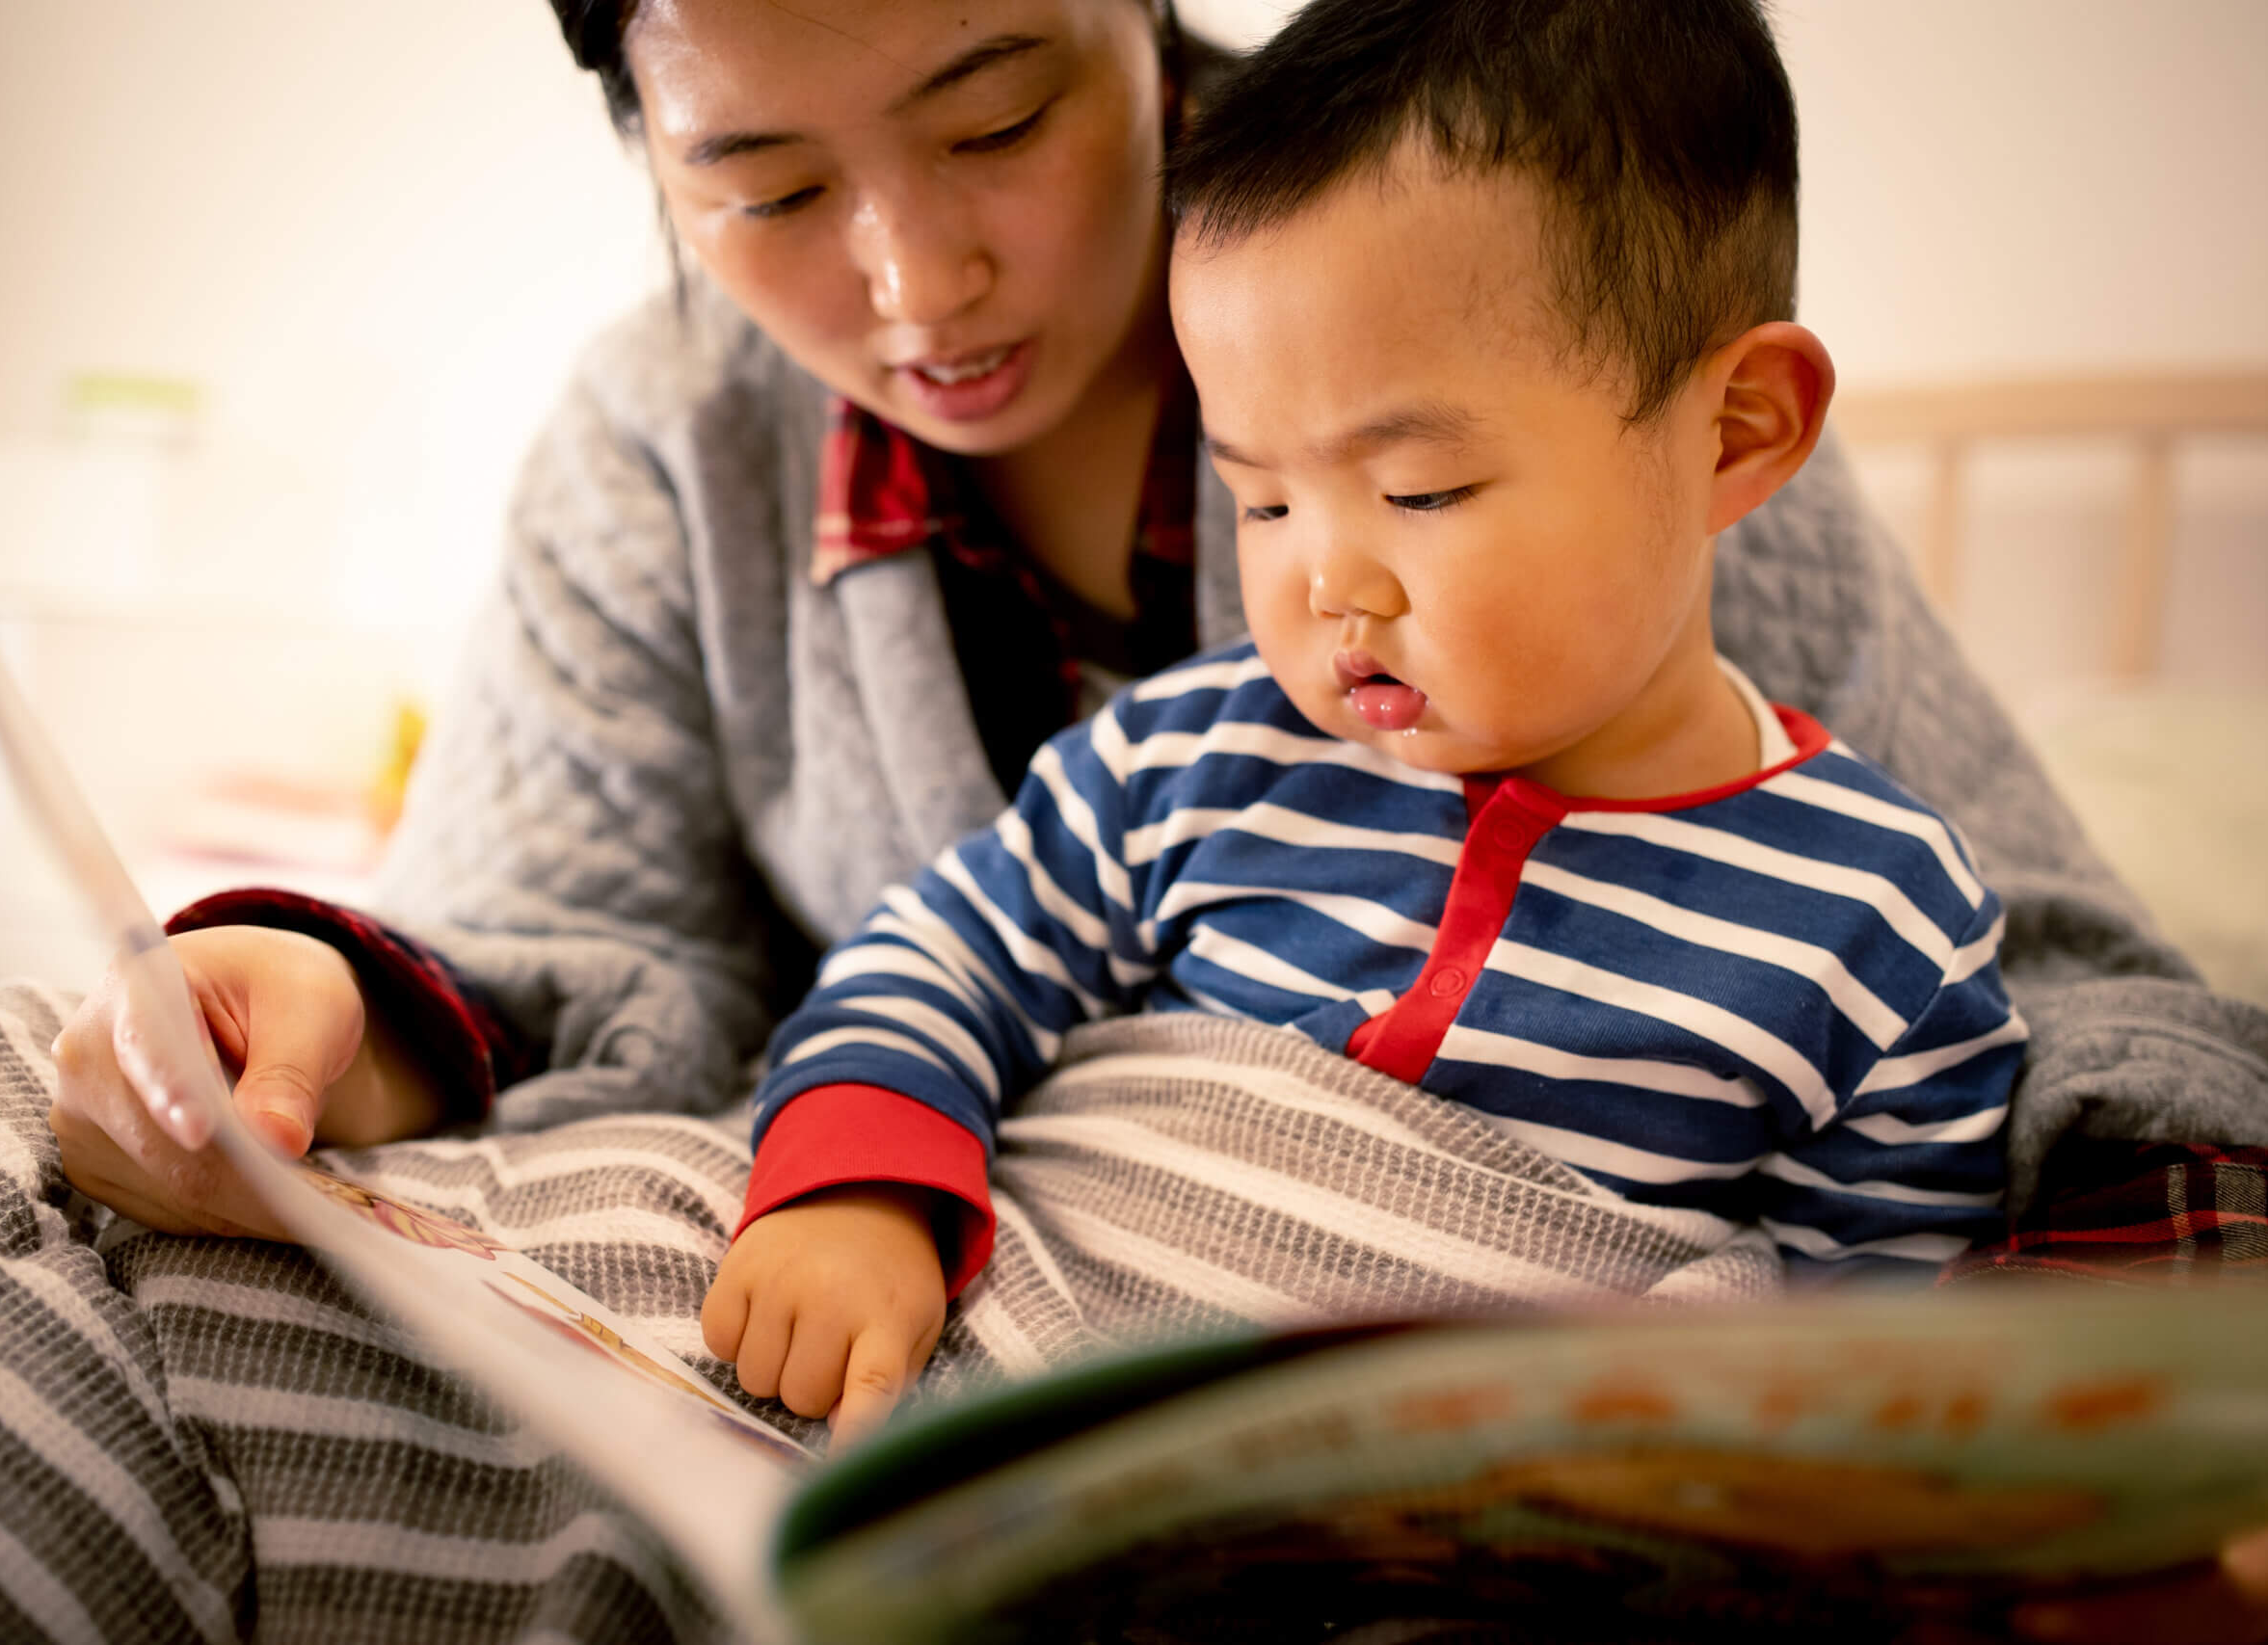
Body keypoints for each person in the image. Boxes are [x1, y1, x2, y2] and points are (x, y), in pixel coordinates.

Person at [37, 0, 2268, 1638]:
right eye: (764, 185)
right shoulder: (765, 502)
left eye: (995, 111)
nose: (914, 283)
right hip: (919, 1299)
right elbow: (614, 944)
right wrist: (328, 1003)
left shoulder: (1550, 298)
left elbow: (1992, 1125)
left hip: (1449, 1456)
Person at [703, 0, 2026, 1435]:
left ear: (1736, 430)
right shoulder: (1189, 758)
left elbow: (1865, 1367)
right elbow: (941, 955)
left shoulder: (1878, 919)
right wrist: (860, 1192)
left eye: (1421, 493)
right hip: (1024, 1395)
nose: (1325, 579)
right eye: (1260, 496)